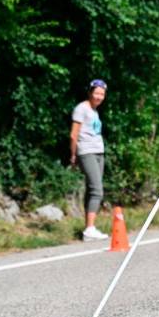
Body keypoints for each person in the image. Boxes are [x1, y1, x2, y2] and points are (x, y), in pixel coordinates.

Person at [70, 79, 109, 241]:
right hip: (86, 152)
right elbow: (74, 134)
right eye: (97, 93)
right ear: (90, 92)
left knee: (92, 189)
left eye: (102, 94)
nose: (99, 97)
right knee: (97, 190)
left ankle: (89, 228)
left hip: (98, 152)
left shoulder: (94, 111)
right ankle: (89, 229)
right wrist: (74, 155)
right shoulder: (82, 108)